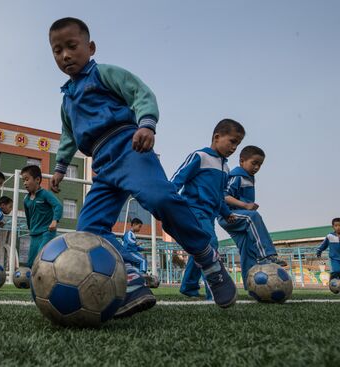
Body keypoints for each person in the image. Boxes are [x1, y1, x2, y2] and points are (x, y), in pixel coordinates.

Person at [48, 17, 237, 317]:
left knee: (160, 199)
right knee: (89, 231)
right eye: (57, 51)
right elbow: (68, 135)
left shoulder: (104, 74)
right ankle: (130, 278)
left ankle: (206, 257)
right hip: (101, 163)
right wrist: (60, 167)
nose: (65, 56)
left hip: (129, 145)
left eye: (72, 47)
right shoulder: (67, 100)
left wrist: (146, 124)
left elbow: (140, 93)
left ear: (91, 47)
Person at [171, 119, 244, 300]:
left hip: (209, 215)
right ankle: (214, 291)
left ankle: (188, 286)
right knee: (210, 245)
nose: (234, 147)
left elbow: (219, 196)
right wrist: (168, 197)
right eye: (232, 141)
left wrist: (227, 213)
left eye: (238, 144)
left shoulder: (226, 168)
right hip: (193, 210)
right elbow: (178, 178)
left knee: (199, 250)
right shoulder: (200, 156)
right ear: (217, 137)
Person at [217, 145, 286, 288]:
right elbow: (223, 196)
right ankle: (268, 256)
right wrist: (245, 205)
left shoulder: (249, 177)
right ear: (242, 161)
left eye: (260, 164)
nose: (257, 167)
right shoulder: (237, 176)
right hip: (228, 215)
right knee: (252, 217)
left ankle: (251, 285)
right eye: (254, 163)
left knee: (248, 249)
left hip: (238, 218)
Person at [21, 165, 63, 268]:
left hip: (47, 232)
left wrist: (55, 220)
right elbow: (28, 216)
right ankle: (31, 283)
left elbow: (58, 206)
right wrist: (30, 227)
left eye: (27, 179)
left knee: (41, 258)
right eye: (23, 180)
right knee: (31, 263)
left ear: (37, 180)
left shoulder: (45, 194)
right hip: (34, 234)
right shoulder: (26, 200)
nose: (25, 183)